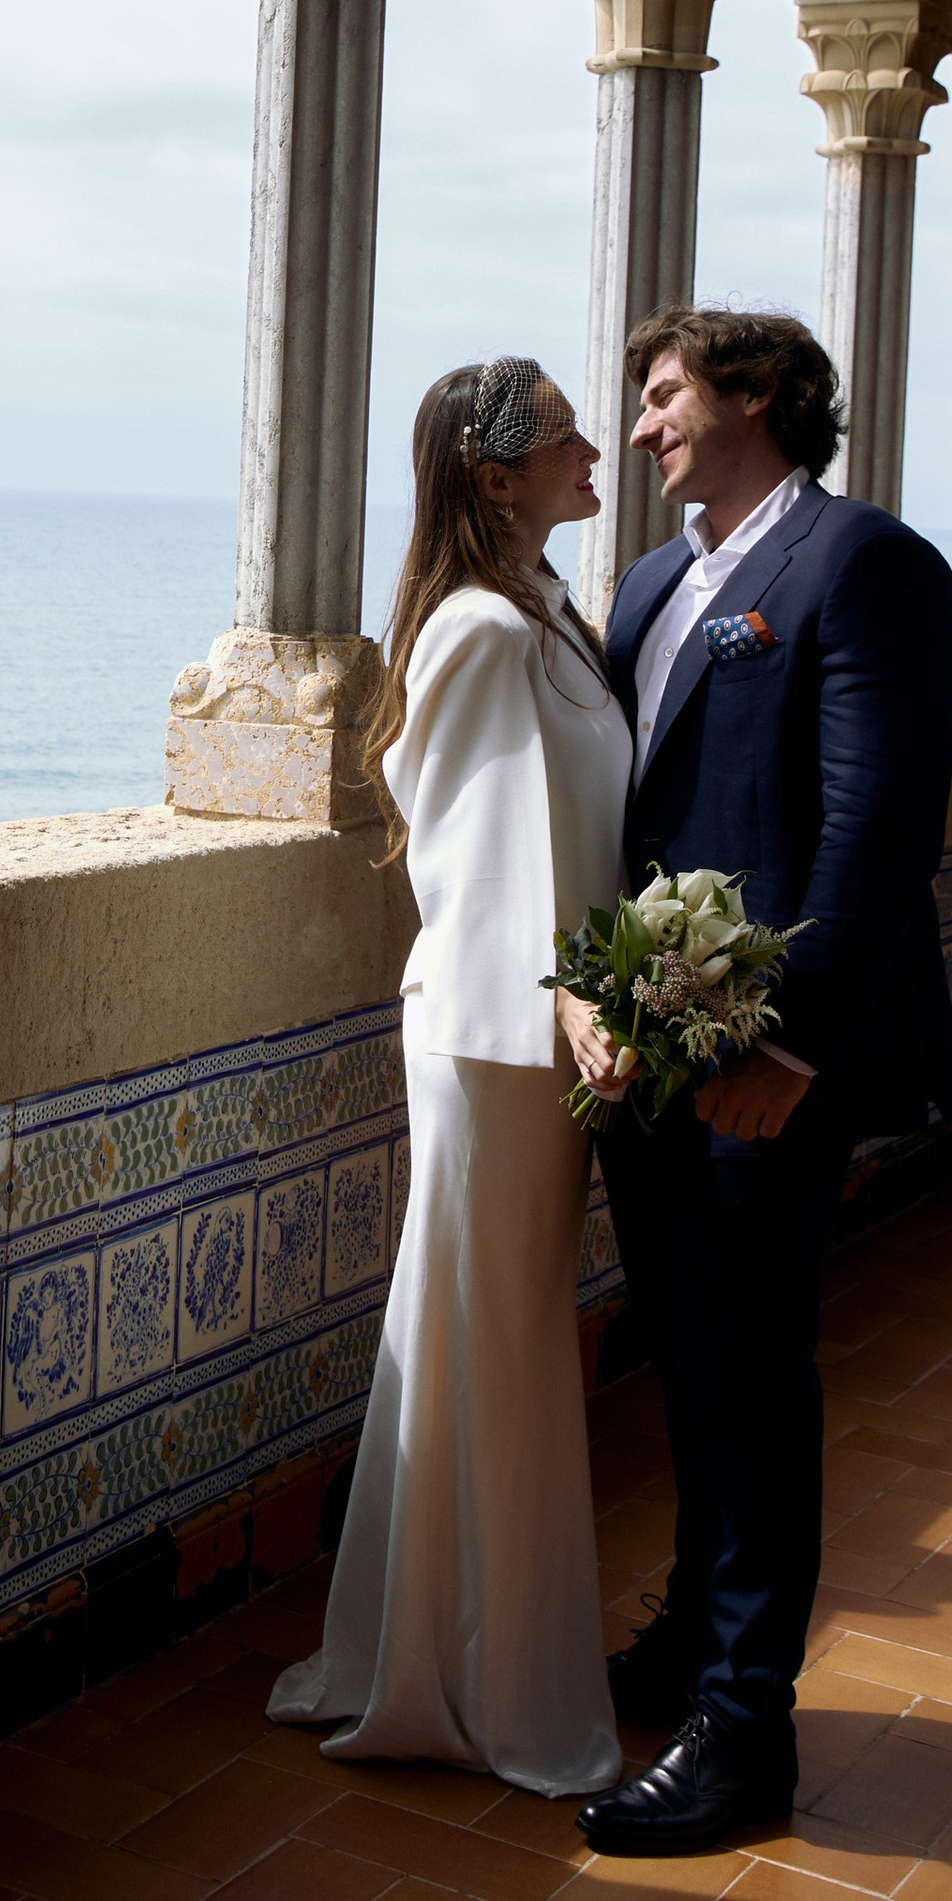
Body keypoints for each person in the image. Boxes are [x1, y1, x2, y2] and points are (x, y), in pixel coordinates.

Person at [566, 305, 952, 1856]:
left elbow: (878, 831)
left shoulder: (867, 564)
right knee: (689, 1354)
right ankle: (687, 1644)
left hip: (767, 1067)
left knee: (749, 1373)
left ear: (754, 394)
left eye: (664, 396)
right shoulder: (657, 580)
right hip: (653, 1054)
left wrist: (789, 1045)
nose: (647, 427)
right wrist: (599, 1005)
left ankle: (745, 1731)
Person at [270, 356, 630, 1797]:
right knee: (499, 1340)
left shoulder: (545, 614)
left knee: (497, 1332)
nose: (592, 446)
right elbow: (475, 870)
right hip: (502, 1045)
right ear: (495, 478)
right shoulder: (482, 633)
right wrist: (571, 1008)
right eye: (559, 437)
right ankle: (476, 1684)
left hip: (545, 1034)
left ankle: (445, 1647)